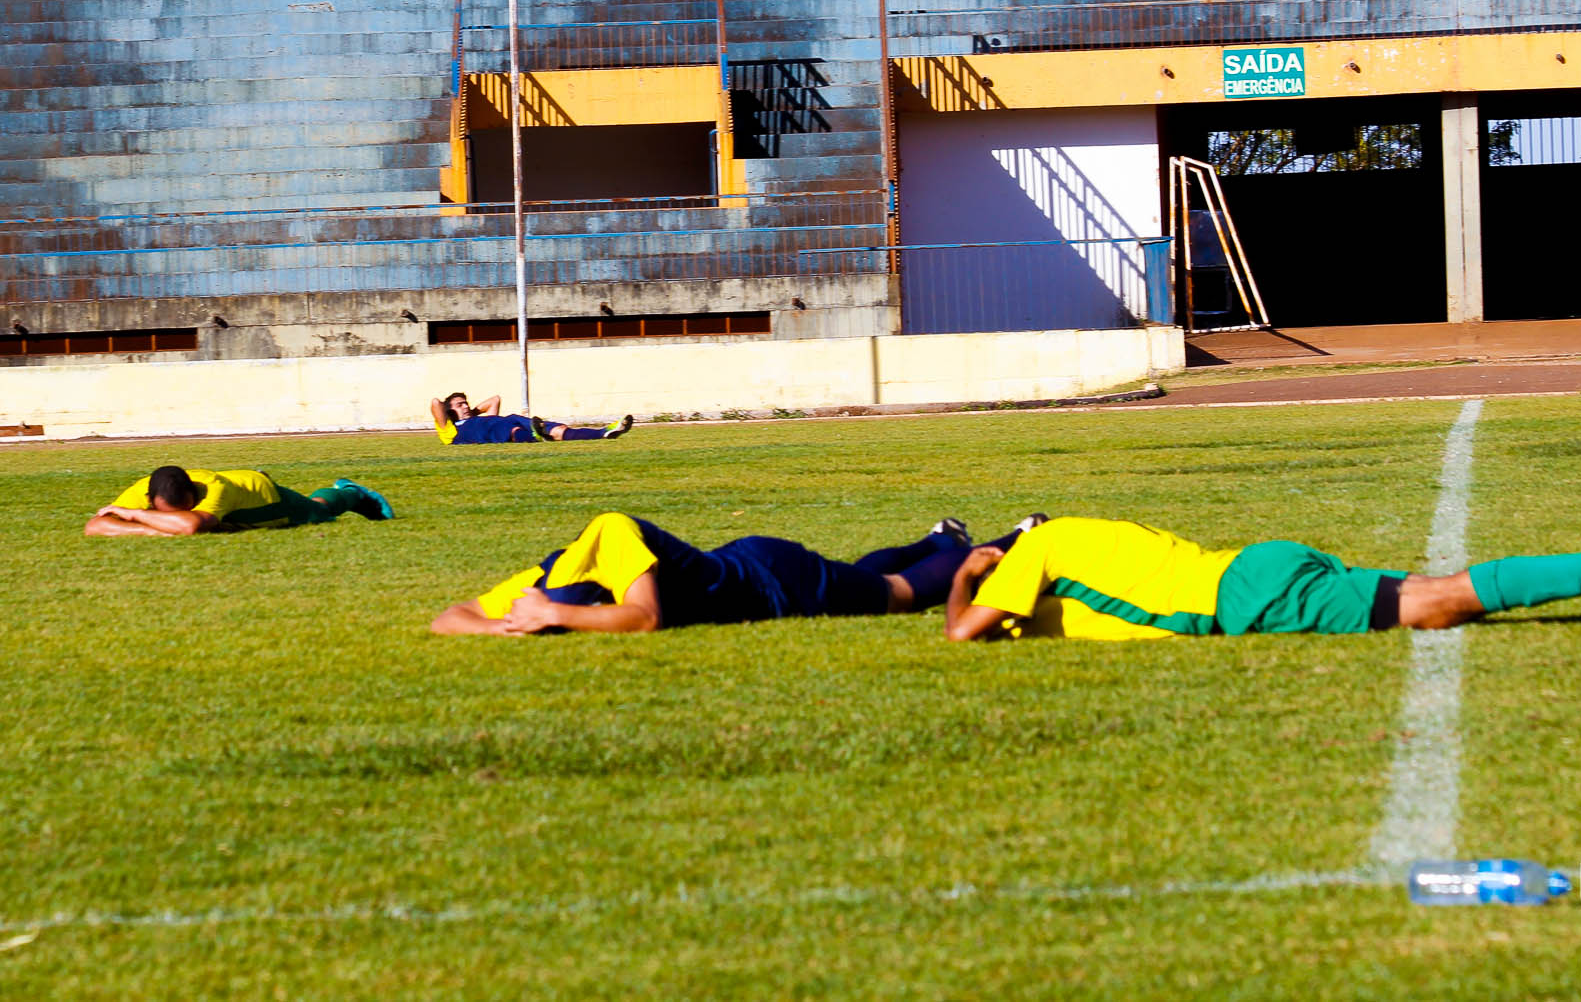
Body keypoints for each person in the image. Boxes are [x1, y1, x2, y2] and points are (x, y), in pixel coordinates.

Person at [944, 517, 1581, 642]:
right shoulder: (1064, 545)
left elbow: (962, 631)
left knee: (1437, 601)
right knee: (1433, 600)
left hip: (1248, 596)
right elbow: (1031, 622)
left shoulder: (1027, 560)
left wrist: (970, 569)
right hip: (1254, 569)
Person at [431, 513, 1043, 635]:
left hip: (774, 580)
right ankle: (938, 538)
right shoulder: (549, 571)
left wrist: (555, 616)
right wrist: (499, 626)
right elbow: (446, 619)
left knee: (896, 595)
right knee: (857, 574)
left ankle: (1015, 539)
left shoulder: (612, 534)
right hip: (747, 561)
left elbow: (644, 619)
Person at [84, 465, 394, 536]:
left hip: (263, 499)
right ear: (150, 499)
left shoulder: (214, 488)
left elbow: (191, 526)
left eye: (186, 507)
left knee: (321, 510)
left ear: (195, 494)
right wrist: (151, 527)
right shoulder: (143, 489)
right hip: (242, 495)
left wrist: (135, 516)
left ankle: (351, 491)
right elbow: (94, 526)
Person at [430, 392, 631, 445]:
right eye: (460, 404)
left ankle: (604, 432)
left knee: (559, 431)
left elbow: (494, 400)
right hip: (499, 432)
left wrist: (471, 411)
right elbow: (435, 402)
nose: (465, 406)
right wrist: (452, 412)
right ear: (449, 411)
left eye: (466, 402)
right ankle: (537, 434)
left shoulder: (474, 417)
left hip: (510, 420)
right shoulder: (450, 430)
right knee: (517, 433)